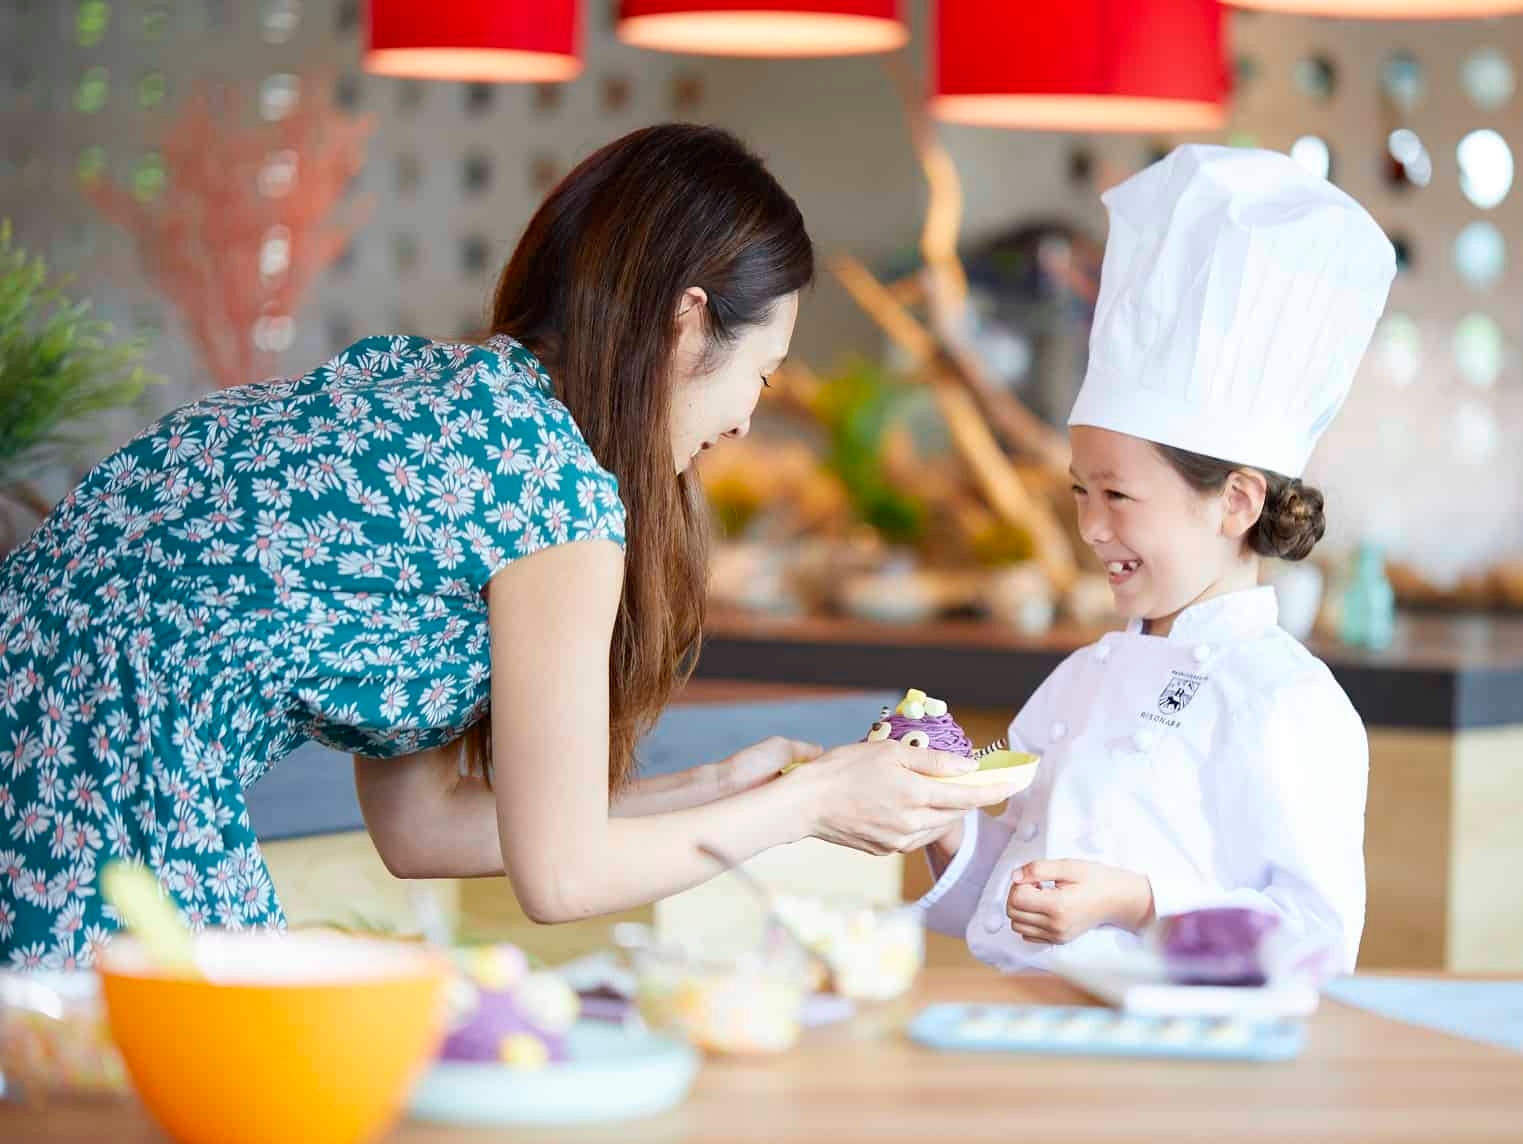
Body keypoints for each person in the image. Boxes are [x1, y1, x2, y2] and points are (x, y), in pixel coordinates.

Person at [0, 123, 1018, 968]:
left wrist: (735, 782)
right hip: (87, 796)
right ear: (686, 322)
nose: (749, 419)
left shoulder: (450, 401)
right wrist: (816, 805)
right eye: (762, 372)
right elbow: (562, 878)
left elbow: (422, 828)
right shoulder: (552, 493)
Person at [914, 145, 1396, 975]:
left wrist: (1138, 901)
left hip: (1177, 1053)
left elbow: (1318, 941)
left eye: (1118, 495)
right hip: (1033, 1024)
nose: (1090, 527)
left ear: (1236, 502)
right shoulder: (1083, 678)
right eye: (1080, 491)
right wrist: (940, 815)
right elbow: (1006, 895)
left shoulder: (1288, 701)